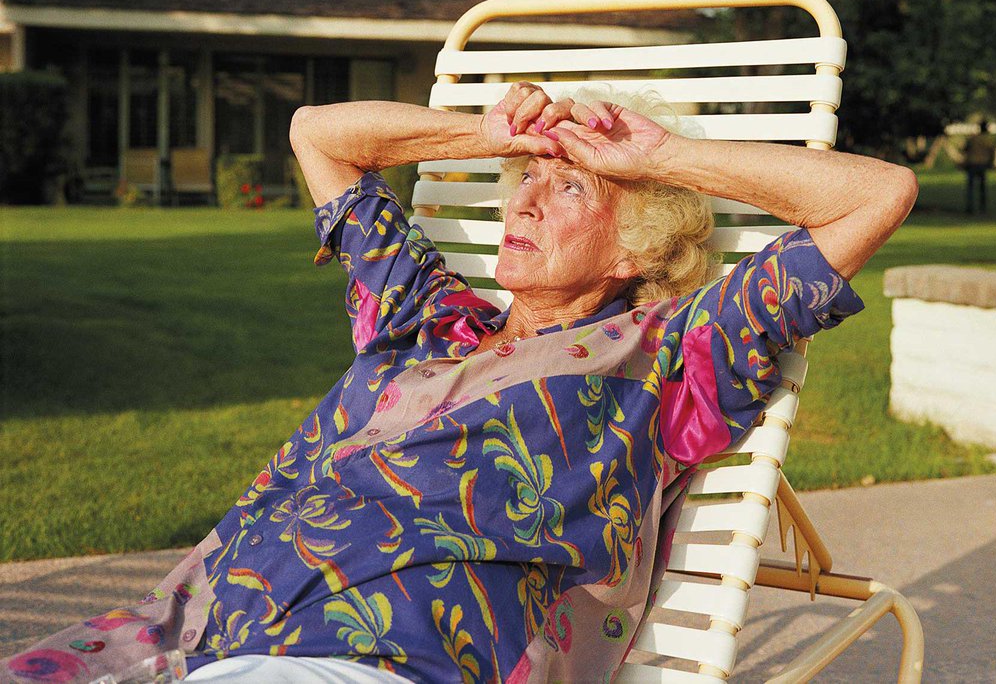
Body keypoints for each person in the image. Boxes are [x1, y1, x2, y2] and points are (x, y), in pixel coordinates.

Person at [4, 83, 917, 684]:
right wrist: (482, 133)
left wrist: (656, 158)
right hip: (192, 635)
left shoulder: (669, 360)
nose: (523, 199)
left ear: (636, 247)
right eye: (524, 179)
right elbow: (317, 135)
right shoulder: (424, 316)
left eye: (569, 190)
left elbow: (878, 194)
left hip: (391, 655)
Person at [963, 119, 996, 214]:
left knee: (971, 187)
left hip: (972, 164)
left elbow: (965, 149)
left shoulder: (973, 138)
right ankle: (982, 207)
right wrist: (991, 162)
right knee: (982, 188)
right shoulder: (988, 140)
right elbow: (992, 152)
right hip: (982, 164)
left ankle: (970, 207)